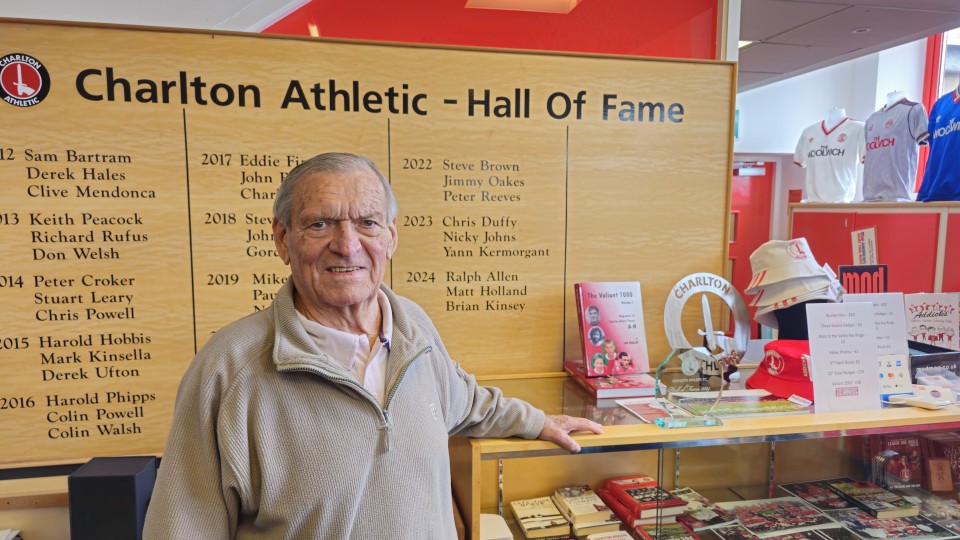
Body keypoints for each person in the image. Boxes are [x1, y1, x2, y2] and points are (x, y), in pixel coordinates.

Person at [143, 152, 602, 539]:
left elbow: (462, 400)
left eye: (367, 223)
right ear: (283, 240)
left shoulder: (414, 328)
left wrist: (538, 421)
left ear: (391, 236)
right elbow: (181, 525)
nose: (347, 245)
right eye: (320, 224)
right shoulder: (228, 368)